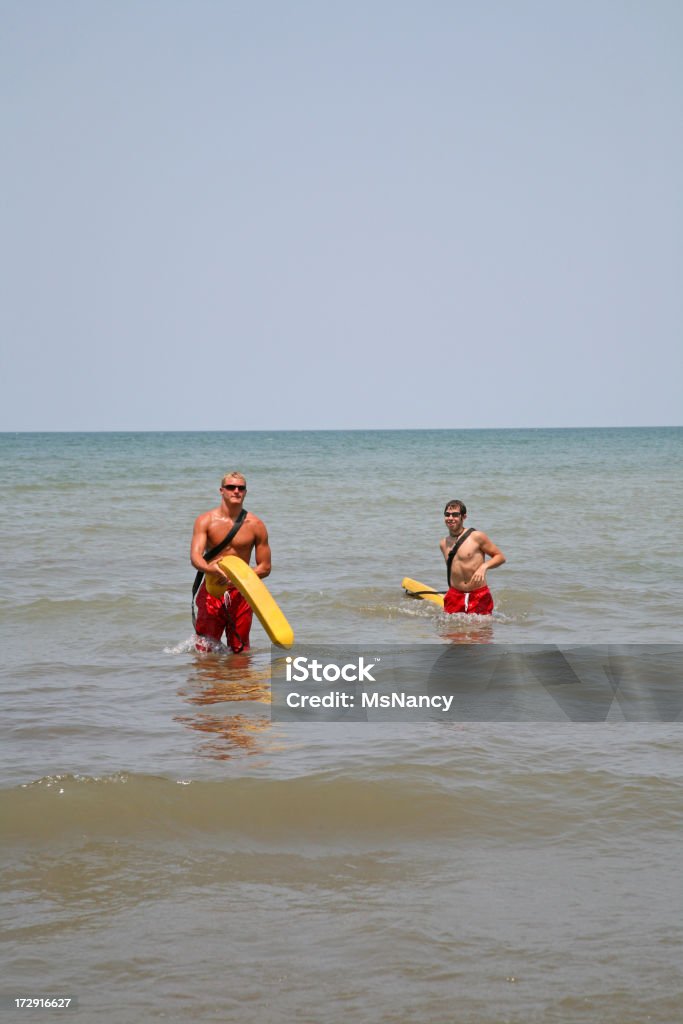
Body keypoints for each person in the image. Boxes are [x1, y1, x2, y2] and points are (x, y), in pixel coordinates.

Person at [191, 472, 271, 651]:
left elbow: (265, 567)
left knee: (240, 650)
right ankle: (213, 678)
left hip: (242, 592)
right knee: (205, 649)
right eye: (231, 487)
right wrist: (210, 569)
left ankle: (237, 678)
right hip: (212, 590)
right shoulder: (205, 521)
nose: (236, 491)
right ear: (221, 491)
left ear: (245, 492)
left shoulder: (255, 525)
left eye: (241, 488)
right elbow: (195, 557)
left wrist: (238, 578)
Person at [439, 500, 506, 615]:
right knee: (449, 632)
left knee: (481, 632)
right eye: (447, 515)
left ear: (464, 517)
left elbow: (500, 557)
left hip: (479, 595)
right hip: (454, 596)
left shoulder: (477, 537)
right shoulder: (443, 543)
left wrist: (484, 567)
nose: (450, 518)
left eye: (455, 515)